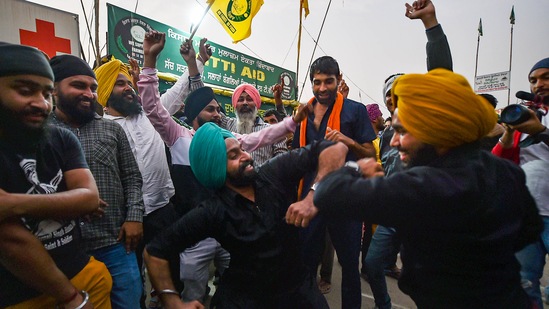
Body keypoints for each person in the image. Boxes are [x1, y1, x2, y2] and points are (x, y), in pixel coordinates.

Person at [313, 68, 542, 308]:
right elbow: (528, 231)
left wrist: (355, 167)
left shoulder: (425, 186)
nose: (393, 141)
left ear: (433, 130)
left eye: (403, 131)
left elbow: (328, 194)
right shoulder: (507, 172)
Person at [138, 30, 310, 305]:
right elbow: (152, 107)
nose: (218, 114)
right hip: (197, 237)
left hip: (232, 232)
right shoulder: (178, 136)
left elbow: (261, 137)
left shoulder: (229, 140)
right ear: (195, 116)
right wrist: (150, 59)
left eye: (219, 109)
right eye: (210, 109)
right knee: (194, 292)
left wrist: (292, 123)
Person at [144, 122, 349, 309]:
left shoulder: (272, 173)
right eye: (233, 156)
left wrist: (312, 196)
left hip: (300, 293)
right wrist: (173, 302)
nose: (246, 156)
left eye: (241, 149)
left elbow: (336, 148)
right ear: (214, 168)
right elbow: (154, 253)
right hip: (247, 300)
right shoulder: (212, 211)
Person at [0, 42, 112, 309]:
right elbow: (10, 240)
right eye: (25, 91)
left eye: (46, 93)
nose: (41, 103)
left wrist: (13, 204)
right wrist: (71, 298)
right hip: (21, 297)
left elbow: (88, 198)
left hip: (85, 276)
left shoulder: (60, 137)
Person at [364, 2, 454, 308]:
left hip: (425, 217)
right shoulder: (387, 134)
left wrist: (430, 22)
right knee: (372, 266)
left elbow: (442, 79)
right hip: (392, 217)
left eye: (399, 92)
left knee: (427, 281)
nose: (392, 99)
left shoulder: (428, 125)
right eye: (388, 95)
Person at [49, 54, 145, 309]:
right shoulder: (42, 131)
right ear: (54, 89)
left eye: (93, 87)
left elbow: (132, 177)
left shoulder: (111, 129)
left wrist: (135, 216)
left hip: (115, 242)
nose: (89, 94)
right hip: (63, 250)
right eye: (78, 86)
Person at [291, 55, 377, 309]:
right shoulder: (304, 113)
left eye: (329, 81)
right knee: (305, 264)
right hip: (311, 201)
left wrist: (348, 141)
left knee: (350, 265)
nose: (322, 88)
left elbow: (370, 153)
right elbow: (297, 156)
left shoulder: (355, 110)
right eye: (317, 82)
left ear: (339, 80)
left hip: (346, 201)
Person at [493, 57, 549, 308]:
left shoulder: (536, 124)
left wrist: (540, 131)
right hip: (527, 213)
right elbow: (497, 160)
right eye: (533, 80)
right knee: (525, 284)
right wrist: (508, 132)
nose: (539, 84)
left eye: (546, 77)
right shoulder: (526, 116)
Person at [222, 83, 288, 166]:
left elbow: (282, 162)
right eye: (240, 100)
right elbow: (206, 102)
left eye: (249, 99)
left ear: (257, 104)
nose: (245, 103)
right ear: (234, 105)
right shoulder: (227, 125)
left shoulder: (272, 131)